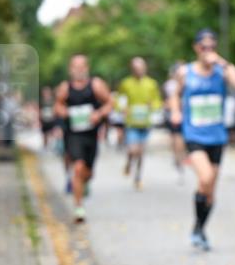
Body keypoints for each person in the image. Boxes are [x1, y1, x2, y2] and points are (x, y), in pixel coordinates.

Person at [168, 30, 235, 251]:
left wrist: (221, 62)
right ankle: (198, 231)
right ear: (196, 48)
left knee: (210, 190)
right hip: (194, 135)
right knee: (205, 178)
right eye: (203, 47)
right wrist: (175, 111)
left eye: (211, 46)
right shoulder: (185, 72)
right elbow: (174, 94)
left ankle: (199, 229)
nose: (208, 51)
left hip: (217, 137)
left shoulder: (221, 71)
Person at [54, 54, 112, 223]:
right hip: (72, 135)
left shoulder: (96, 85)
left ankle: (85, 182)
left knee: (88, 172)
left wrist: (99, 114)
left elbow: (110, 103)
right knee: (78, 168)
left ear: (87, 68)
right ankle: (79, 208)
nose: (79, 69)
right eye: (75, 66)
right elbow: (57, 105)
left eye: (82, 66)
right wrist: (62, 111)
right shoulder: (65, 88)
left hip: (91, 135)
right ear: (70, 69)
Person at [118, 57, 162, 190]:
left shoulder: (151, 83)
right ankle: (129, 162)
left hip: (145, 122)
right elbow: (120, 99)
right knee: (133, 149)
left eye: (141, 68)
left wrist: (152, 106)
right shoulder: (126, 83)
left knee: (141, 152)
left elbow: (157, 101)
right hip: (132, 122)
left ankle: (138, 177)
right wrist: (123, 108)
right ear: (132, 69)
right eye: (136, 68)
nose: (139, 70)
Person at [162, 62, 187, 183]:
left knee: (180, 140)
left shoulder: (191, 81)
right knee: (177, 139)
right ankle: (178, 160)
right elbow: (167, 101)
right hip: (174, 116)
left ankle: (179, 158)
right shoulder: (170, 85)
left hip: (188, 116)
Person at [39, 85, 60, 150]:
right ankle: (45, 147)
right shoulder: (41, 101)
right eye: (44, 92)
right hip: (44, 120)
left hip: (52, 119)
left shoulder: (53, 100)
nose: (46, 93)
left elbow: (56, 108)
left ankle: (52, 147)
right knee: (45, 134)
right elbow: (39, 110)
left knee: (52, 133)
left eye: (47, 92)